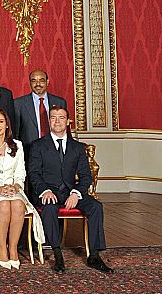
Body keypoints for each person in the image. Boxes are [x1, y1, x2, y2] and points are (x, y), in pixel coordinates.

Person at [28, 106, 113, 274]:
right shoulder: (38, 146)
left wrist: (76, 193)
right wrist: (44, 191)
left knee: (96, 207)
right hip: (47, 192)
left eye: (61, 118)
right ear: (49, 121)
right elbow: (34, 174)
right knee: (50, 207)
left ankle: (94, 255)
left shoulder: (78, 147)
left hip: (70, 192)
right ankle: (57, 254)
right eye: (53, 117)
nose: (57, 121)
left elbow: (86, 177)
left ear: (68, 122)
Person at [0, 108, 44, 269]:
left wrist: (15, 187)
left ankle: (13, 247)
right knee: (4, 204)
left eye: (1, 121)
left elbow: (21, 174)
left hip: (13, 189)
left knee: (19, 205)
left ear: (7, 125)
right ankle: (1, 246)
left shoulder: (17, 145)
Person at [15, 70, 67, 146]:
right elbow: (16, 132)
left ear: (47, 82)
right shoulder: (18, 104)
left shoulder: (60, 102)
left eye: (41, 80)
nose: (38, 84)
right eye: (34, 81)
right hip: (29, 150)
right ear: (30, 83)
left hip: (56, 149)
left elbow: (64, 129)